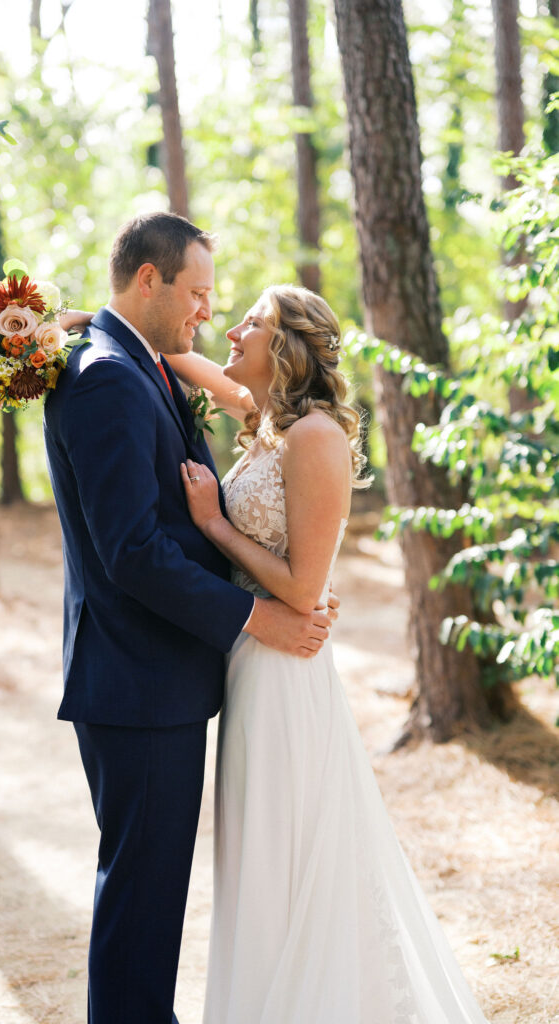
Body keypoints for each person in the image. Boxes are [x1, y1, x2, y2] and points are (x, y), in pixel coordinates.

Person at [43, 212, 338, 1024]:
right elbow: (132, 551)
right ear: (150, 281)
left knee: (149, 891)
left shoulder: (131, 359)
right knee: (142, 894)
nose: (207, 311)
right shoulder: (108, 374)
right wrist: (255, 617)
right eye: (198, 293)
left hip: (152, 677)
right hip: (135, 678)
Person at [170, 284, 489, 1023]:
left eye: (254, 320)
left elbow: (306, 590)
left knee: (288, 848)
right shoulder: (265, 421)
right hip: (250, 664)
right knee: (259, 854)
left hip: (285, 671)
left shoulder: (313, 436)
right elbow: (176, 356)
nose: (234, 327)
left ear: (287, 348)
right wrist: (91, 321)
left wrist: (214, 524)